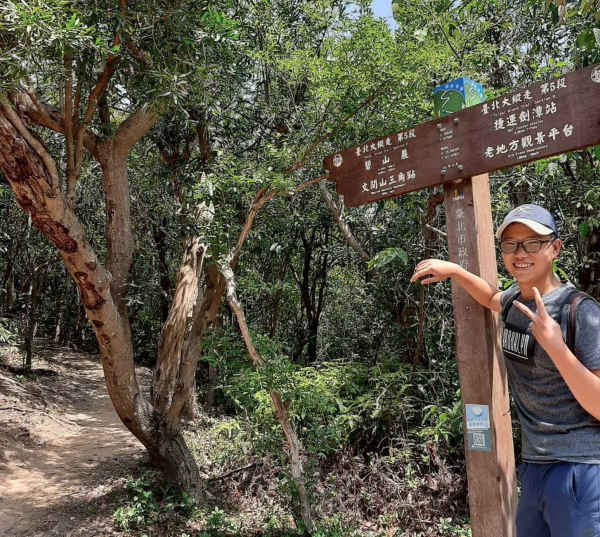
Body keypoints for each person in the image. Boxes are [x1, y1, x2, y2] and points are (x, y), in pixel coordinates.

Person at [411, 203, 600, 536]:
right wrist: (454, 270)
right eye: (510, 244)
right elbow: (492, 297)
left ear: (554, 248)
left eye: (532, 243)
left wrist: (556, 347)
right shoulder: (516, 299)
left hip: (579, 470)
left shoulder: (581, 312)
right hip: (535, 468)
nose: (520, 252)